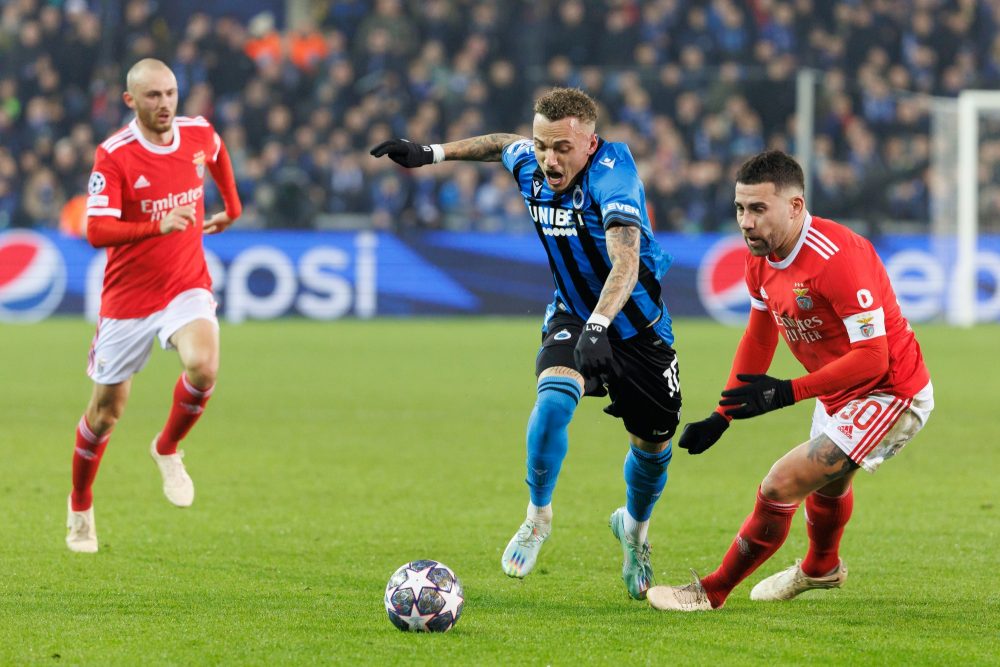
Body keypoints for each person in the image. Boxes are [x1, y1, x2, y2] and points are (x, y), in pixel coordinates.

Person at [371, 87, 682, 600]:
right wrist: (431, 154)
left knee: (652, 446)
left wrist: (601, 325)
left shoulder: (614, 175)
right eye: (543, 145)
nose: (548, 158)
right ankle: (538, 515)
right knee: (553, 401)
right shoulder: (531, 163)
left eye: (561, 148)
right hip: (571, 313)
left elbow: (626, 262)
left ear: (589, 143)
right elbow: (501, 143)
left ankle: (635, 530)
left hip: (638, 328)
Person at [646, 150, 933, 611]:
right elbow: (759, 337)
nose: (746, 222)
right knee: (828, 484)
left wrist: (786, 392)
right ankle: (821, 569)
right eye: (740, 208)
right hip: (836, 390)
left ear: (796, 206)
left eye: (759, 209)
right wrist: (724, 415)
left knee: (781, 483)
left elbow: (874, 358)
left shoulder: (838, 258)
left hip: (889, 391)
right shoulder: (759, 259)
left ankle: (712, 591)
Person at [66, 59, 241, 553]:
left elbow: (218, 150)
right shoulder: (114, 156)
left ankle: (167, 447)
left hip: (185, 283)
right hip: (128, 299)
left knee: (203, 366)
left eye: (170, 94)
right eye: (152, 97)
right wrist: (155, 225)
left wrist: (233, 204)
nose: (164, 104)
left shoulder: (196, 133)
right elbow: (96, 230)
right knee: (105, 413)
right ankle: (80, 504)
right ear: (131, 101)